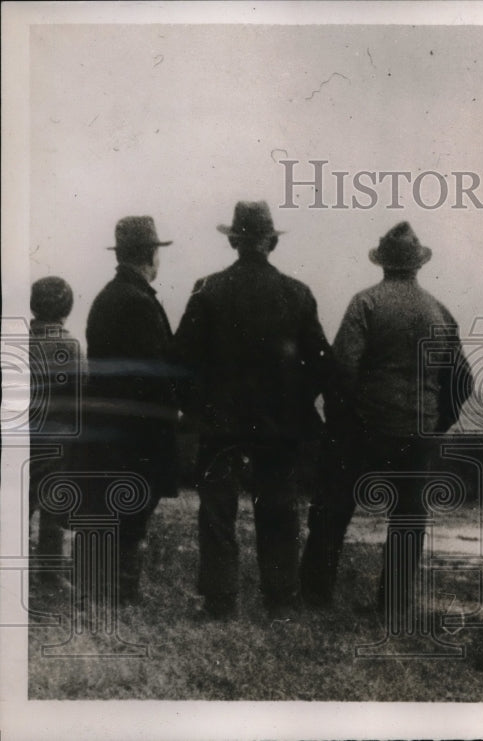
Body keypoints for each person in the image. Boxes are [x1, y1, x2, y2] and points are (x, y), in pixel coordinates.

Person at [300, 222, 471, 622]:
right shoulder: (439, 311)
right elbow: (462, 380)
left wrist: (342, 423)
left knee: (332, 508)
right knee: (408, 518)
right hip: (417, 434)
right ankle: (392, 607)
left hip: (365, 429)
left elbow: (343, 366)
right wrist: (437, 422)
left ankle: (314, 595)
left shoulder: (366, 304)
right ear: (417, 265)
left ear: (383, 263)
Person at [173, 201, 329, 620]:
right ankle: (280, 600)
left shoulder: (207, 289)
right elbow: (320, 364)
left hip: (220, 421)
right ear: (272, 242)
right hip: (279, 424)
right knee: (278, 508)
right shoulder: (298, 294)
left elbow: (182, 359)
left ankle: (221, 602)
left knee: (218, 510)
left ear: (233, 241)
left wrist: (199, 407)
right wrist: (296, 402)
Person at [82, 216, 179, 605]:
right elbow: (156, 370)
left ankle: (110, 588)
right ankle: (123, 591)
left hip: (110, 422)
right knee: (134, 509)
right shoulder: (139, 303)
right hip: (140, 426)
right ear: (151, 256)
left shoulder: (107, 297)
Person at [29, 276, 83, 588]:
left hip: (19, 439)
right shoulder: (70, 346)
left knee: (17, 506)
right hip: (57, 440)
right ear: (67, 308)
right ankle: (50, 574)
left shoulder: (15, 342)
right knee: (53, 509)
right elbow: (82, 397)